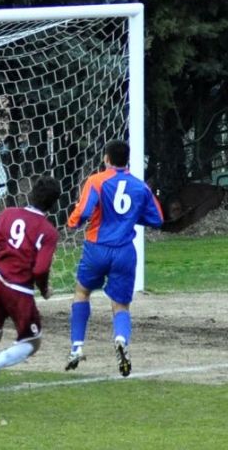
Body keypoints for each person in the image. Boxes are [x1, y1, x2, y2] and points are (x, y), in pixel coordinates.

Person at [0, 175, 62, 412]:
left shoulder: (7, 214)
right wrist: (44, 289)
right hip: (17, 290)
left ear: (30, 194)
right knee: (32, 342)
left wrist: (2, 257)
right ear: (53, 204)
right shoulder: (48, 231)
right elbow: (40, 269)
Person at [66, 140, 164, 376]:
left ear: (106, 159)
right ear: (127, 160)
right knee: (120, 304)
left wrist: (72, 222)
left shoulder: (96, 181)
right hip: (124, 252)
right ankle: (121, 339)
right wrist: (130, 218)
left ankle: (76, 347)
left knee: (82, 292)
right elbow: (157, 218)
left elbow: (84, 212)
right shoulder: (140, 186)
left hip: (97, 248)